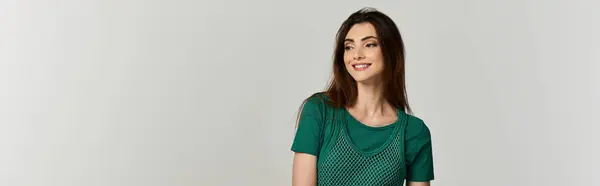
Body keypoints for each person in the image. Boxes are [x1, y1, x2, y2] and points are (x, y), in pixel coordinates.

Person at [290, 7, 435, 186]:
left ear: (391, 51)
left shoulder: (414, 132)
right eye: (349, 47)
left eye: (370, 44)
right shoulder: (319, 110)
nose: (356, 55)